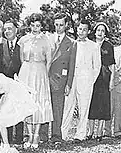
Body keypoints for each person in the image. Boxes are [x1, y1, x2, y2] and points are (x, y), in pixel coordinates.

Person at [61, 19, 101, 142]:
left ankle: (80, 134)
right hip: (71, 80)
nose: (81, 31)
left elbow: (97, 67)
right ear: (76, 29)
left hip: (86, 81)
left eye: (84, 29)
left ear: (88, 31)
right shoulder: (72, 43)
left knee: (84, 108)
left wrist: (90, 81)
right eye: (79, 29)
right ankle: (62, 134)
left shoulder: (94, 46)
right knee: (68, 107)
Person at [40, 13, 77, 143]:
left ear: (66, 25)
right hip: (45, 78)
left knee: (57, 108)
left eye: (61, 25)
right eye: (56, 24)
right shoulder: (47, 38)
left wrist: (69, 84)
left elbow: (72, 65)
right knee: (44, 107)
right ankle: (42, 135)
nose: (58, 27)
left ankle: (56, 135)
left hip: (60, 80)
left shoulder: (72, 43)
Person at [17, 13, 53, 149]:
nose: (35, 28)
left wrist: (44, 75)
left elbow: (49, 61)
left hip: (40, 72)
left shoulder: (46, 40)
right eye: (32, 25)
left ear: (41, 26)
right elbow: (21, 58)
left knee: (38, 102)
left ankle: (36, 135)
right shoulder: (24, 39)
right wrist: (25, 72)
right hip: (26, 71)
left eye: (38, 25)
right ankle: (29, 134)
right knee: (27, 101)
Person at [0, 20, 23, 145]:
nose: (7, 31)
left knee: (18, 110)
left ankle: (19, 138)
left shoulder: (22, 45)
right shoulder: (0, 47)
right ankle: (7, 138)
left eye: (10, 29)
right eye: (5, 29)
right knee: (6, 111)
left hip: (19, 83)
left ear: (16, 30)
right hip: (5, 85)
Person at [87, 22, 116, 141]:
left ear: (105, 33)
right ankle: (90, 131)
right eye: (98, 30)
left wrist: (112, 80)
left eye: (103, 31)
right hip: (91, 77)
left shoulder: (108, 46)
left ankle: (99, 132)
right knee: (92, 104)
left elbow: (112, 65)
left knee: (102, 105)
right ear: (95, 31)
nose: (100, 32)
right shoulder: (90, 44)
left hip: (103, 78)